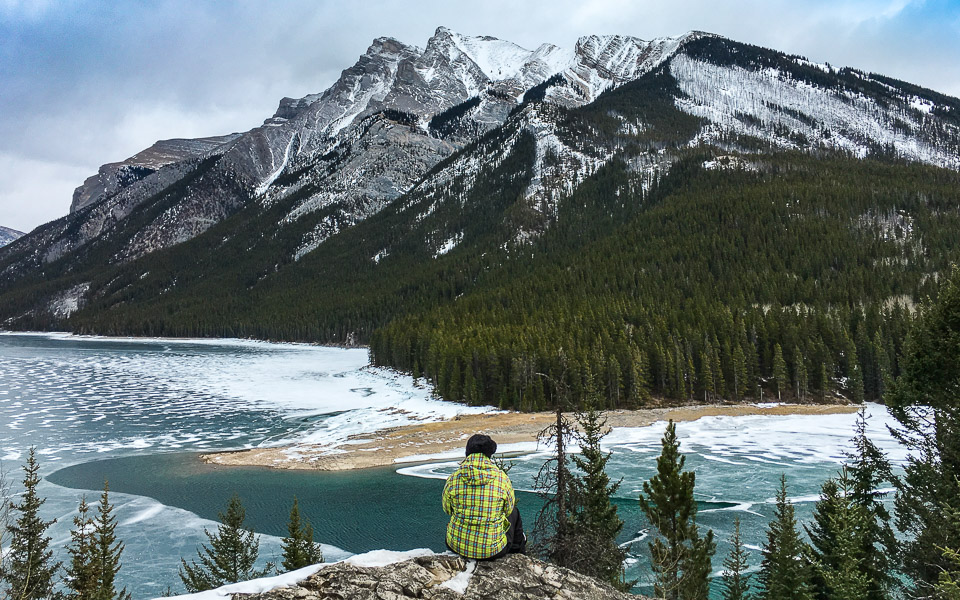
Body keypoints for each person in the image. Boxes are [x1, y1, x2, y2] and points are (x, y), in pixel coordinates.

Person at [442, 434, 526, 560]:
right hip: (492, 551)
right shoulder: (501, 478)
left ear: (467, 452)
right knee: (514, 512)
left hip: (457, 546)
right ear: (489, 454)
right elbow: (508, 509)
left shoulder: (454, 478)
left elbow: (447, 509)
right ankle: (518, 555)